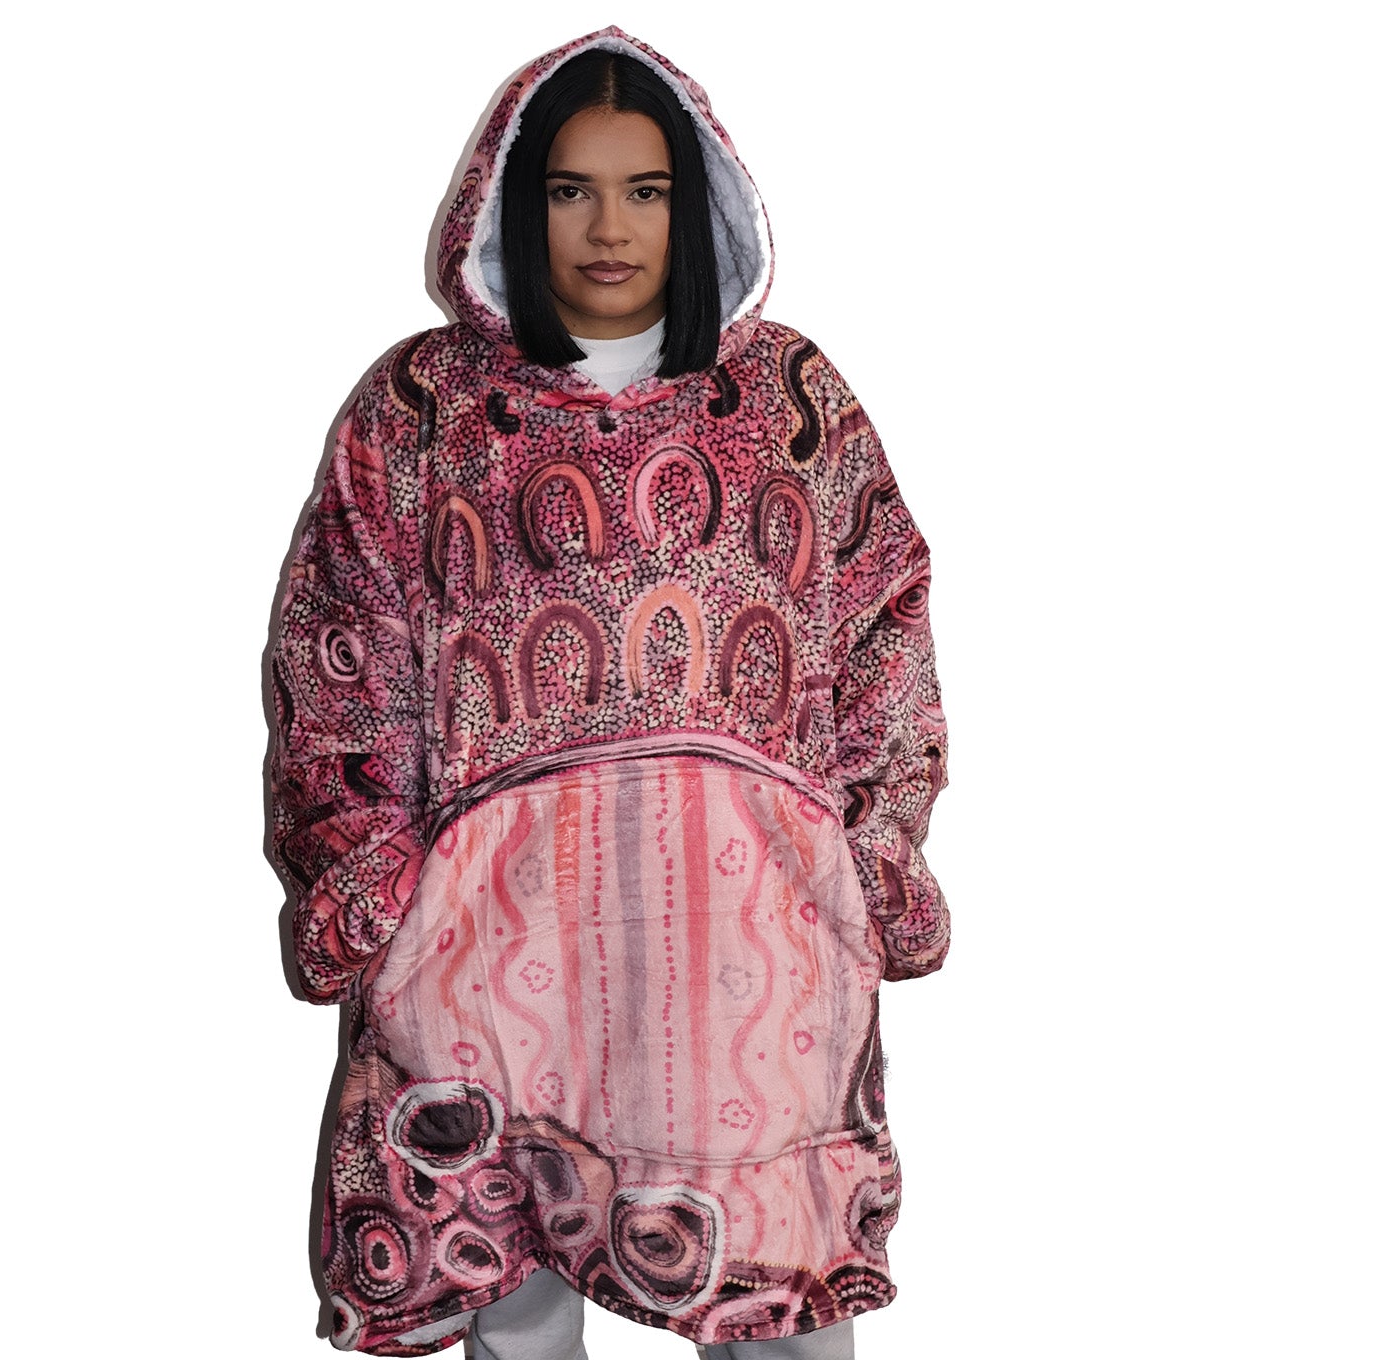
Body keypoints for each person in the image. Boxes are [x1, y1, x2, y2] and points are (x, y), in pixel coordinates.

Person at [265, 25, 951, 1360]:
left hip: (752, 943)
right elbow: (337, 660)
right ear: (514, 204)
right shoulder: (419, 412)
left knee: (780, 1305)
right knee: (517, 1313)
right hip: (492, 943)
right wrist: (376, 882)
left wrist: (870, 860)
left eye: (646, 190)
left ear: (694, 208)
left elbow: (883, 630)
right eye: (571, 189)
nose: (609, 228)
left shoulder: (789, 399)